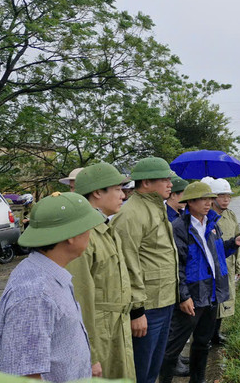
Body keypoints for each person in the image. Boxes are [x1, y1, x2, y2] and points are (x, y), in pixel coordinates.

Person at [0, 192, 104, 382]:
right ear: (71, 235)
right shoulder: (36, 294)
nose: (91, 232)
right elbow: (25, 374)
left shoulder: (49, 274)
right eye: (87, 226)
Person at [159, 182, 240, 383]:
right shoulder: (179, 228)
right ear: (190, 202)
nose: (208, 203)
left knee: (202, 342)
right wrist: (183, 295)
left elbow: (216, 254)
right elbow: (177, 265)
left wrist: (233, 244)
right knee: (173, 347)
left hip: (211, 292)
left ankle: (198, 379)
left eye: (210, 199)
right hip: (192, 294)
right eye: (203, 199)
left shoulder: (212, 224)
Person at [64, 163, 135, 380]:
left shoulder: (105, 227)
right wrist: (90, 354)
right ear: (97, 192)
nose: (123, 195)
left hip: (115, 327)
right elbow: (80, 300)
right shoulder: (84, 235)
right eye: (117, 189)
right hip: (99, 333)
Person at [112, 157, 178, 383]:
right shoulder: (131, 214)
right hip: (147, 306)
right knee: (140, 370)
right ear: (146, 183)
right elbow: (127, 264)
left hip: (165, 300)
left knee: (153, 368)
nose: (170, 184)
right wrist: (136, 311)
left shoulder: (157, 207)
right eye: (164, 180)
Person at [201, 177, 240, 345]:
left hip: (228, 264)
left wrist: (239, 265)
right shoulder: (206, 218)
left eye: (228, 196)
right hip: (212, 267)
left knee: (225, 299)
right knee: (211, 302)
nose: (226, 200)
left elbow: (237, 239)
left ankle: (216, 333)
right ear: (213, 198)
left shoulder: (231, 215)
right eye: (222, 196)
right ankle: (207, 335)